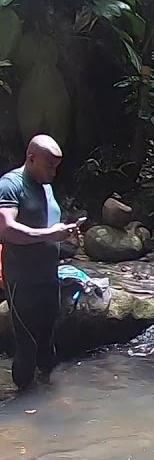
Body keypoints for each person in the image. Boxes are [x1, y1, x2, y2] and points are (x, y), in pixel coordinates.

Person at [0, 135, 81, 393]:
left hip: (48, 276)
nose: (54, 172)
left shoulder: (45, 185)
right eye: (49, 166)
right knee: (28, 346)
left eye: (57, 166)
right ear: (31, 159)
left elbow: (47, 228)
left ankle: (49, 396)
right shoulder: (10, 185)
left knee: (47, 342)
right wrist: (51, 235)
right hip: (22, 280)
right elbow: (7, 229)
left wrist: (68, 239)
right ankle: (20, 404)